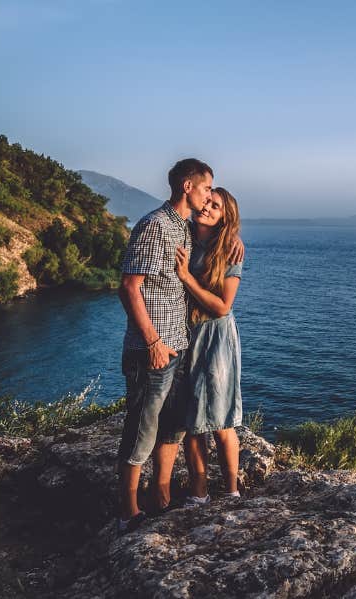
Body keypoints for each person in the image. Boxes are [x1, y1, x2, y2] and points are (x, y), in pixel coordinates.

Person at [116, 158, 237, 533]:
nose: (207, 198)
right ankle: (128, 514)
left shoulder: (183, 228)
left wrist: (232, 235)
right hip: (153, 348)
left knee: (172, 428)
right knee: (142, 428)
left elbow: (216, 231)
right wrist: (152, 340)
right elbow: (129, 287)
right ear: (188, 186)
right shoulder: (156, 226)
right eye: (205, 189)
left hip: (180, 345)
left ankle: (160, 498)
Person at [173, 187, 245, 504]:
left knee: (221, 421)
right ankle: (198, 492)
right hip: (186, 333)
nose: (208, 208)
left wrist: (187, 278)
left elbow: (222, 306)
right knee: (192, 423)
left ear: (225, 217)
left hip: (216, 338)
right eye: (208, 201)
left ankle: (231, 491)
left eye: (216, 207)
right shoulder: (184, 233)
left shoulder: (229, 250)